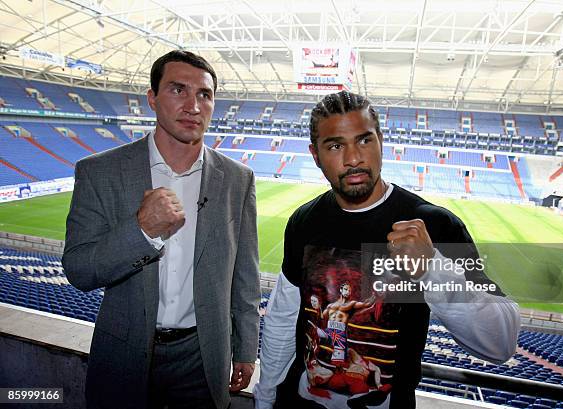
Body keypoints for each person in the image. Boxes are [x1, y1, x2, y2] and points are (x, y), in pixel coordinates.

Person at [253, 91, 520, 409]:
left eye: (364, 140)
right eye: (336, 145)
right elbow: (283, 317)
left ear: (381, 140)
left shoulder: (433, 224)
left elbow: (500, 342)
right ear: (315, 154)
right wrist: (266, 397)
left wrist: (431, 267)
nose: (353, 158)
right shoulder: (303, 220)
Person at [62, 50, 260, 409]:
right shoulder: (99, 172)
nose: (193, 105)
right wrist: (141, 230)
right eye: (177, 90)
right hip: (125, 351)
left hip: (202, 357)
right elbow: (79, 269)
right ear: (151, 99)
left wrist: (246, 347)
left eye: (204, 94)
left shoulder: (237, 179)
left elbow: (245, 273)